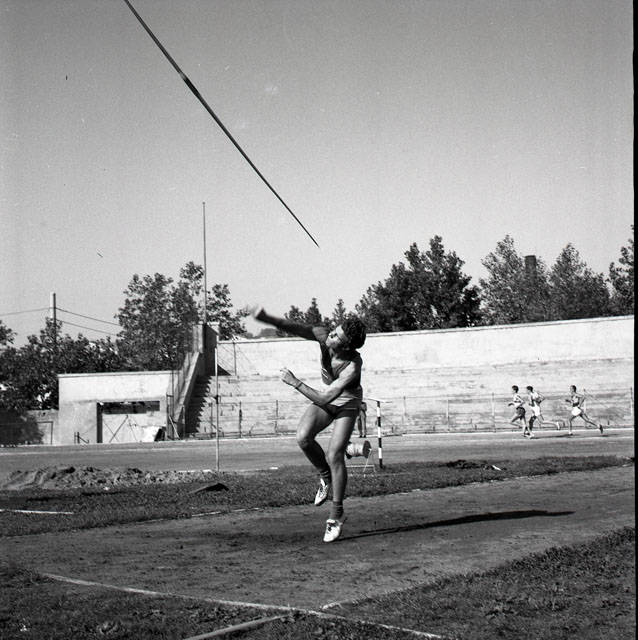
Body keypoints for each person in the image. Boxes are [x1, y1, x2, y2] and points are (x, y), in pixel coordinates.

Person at [250, 305, 367, 543]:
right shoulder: (324, 337)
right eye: (334, 330)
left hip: (347, 403)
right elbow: (293, 327)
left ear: (346, 346)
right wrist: (266, 317)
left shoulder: (352, 367)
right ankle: (326, 477)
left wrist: (295, 382)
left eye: (337, 336)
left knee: (334, 454)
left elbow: (324, 399)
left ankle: (336, 515)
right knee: (303, 438)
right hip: (327, 397)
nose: (331, 334)